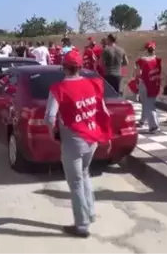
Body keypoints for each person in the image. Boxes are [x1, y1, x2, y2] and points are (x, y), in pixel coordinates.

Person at [45, 49, 112, 238]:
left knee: (75, 182)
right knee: (84, 175)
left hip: (73, 141)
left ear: (64, 68)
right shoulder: (93, 83)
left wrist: (52, 134)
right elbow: (103, 110)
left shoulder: (58, 88)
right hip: (92, 139)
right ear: (80, 67)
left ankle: (81, 225)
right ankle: (89, 213)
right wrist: (105, 135)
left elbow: (50, 116)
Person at [135, 41, 162, 132]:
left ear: (146, 50)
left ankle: (154, 125)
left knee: (147, 105)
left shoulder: (142, 60)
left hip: (145, 84)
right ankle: (142, 121)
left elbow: (138, 73)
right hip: (155, 84)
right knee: (149, 103)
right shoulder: (158, 60)